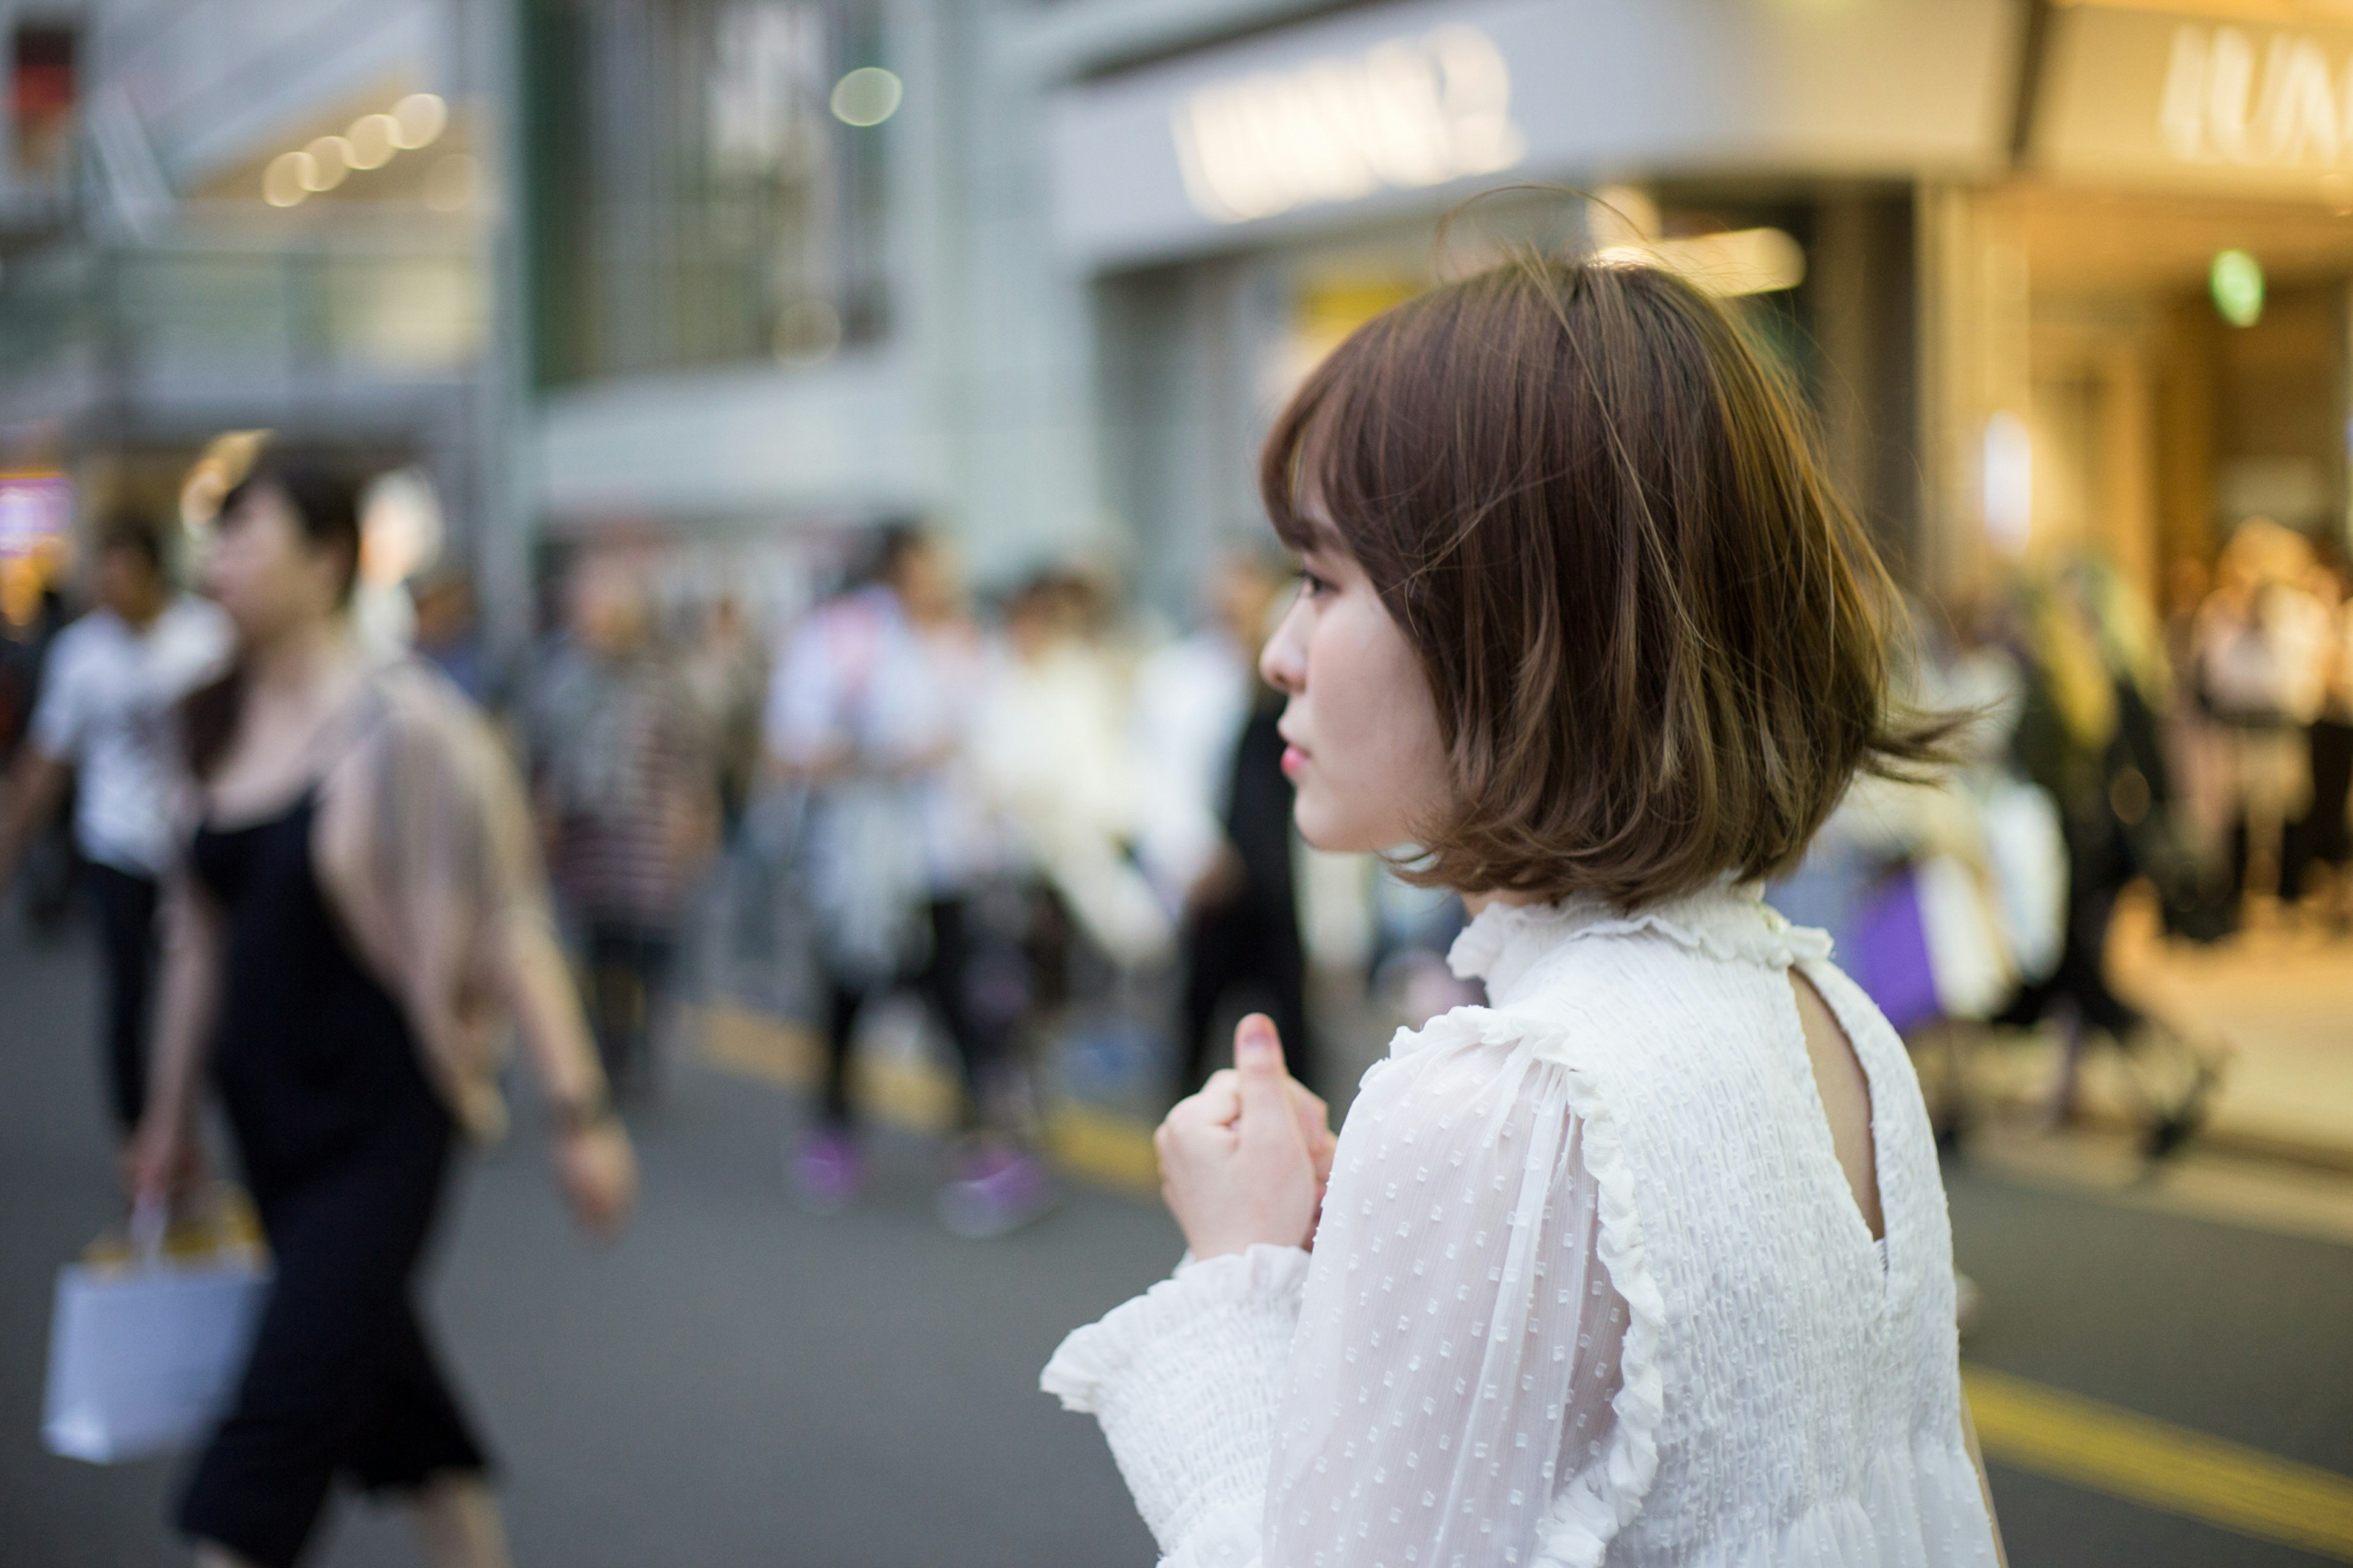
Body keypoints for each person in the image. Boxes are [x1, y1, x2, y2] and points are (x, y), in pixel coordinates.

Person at [1040, 252, 2007, 1568]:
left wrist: (1240, 1271)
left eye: (1323, 584)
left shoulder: (1516, 1098)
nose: (1278, 649)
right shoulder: (1834, 1019)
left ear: (1510, 622)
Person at [127, 452, 637, 1568]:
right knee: (389, 1392)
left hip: (384, 1117)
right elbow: (195, 946)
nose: (218, 557)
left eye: (244, 531)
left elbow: (513, 924)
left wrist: (578, 1110)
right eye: (212, 535)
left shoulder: (412, 727)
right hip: (268, 1124)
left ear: (327, 558)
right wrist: (166, 1117)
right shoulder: (202, 721)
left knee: (279, 1412)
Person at [770, 527, 1053, 1232]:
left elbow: (995, 739)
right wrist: (885, 758)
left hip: (945, 862)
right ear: (902, 566)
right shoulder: (844, 637)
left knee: (960, 999)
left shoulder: (963, 641)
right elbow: (793, 740)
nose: (947, 574)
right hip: (864, 863)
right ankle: (836, 1130)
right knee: (848, 995)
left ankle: (980, 1144)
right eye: (934, 560)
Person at [0, 518, 230, 1135]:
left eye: (120, 569)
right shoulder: (82, 652)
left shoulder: (205, 637)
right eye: (101, 571)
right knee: (128, 994)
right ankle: (138, 1133)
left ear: (153, 570)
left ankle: (190, 1120)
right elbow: (48, 759)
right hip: (115, 842)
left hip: (192, 841)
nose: (109, 585)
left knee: (209, 988)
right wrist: (12, 839)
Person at [530, 558, 718, 1097]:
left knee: (650, 946)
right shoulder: (561, 677)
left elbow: (693, 757)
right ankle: (610, 1046)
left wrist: (696, 820)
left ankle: (641, 1038)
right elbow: (543, 757)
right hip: (589, 834)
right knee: (599, 947)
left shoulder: (665, 678)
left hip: (650, 834)